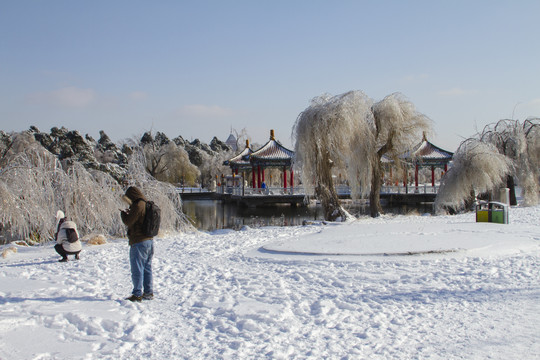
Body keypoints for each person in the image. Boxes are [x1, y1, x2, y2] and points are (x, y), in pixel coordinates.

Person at [120, 186, 154, 302]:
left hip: (139, 241)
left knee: (137, 269)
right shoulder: (146, 203)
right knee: (147, 267)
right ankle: (148, 292)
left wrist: (124, 214)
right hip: (149, 241)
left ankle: (137, 294)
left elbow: (129, 221)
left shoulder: (138, 205)